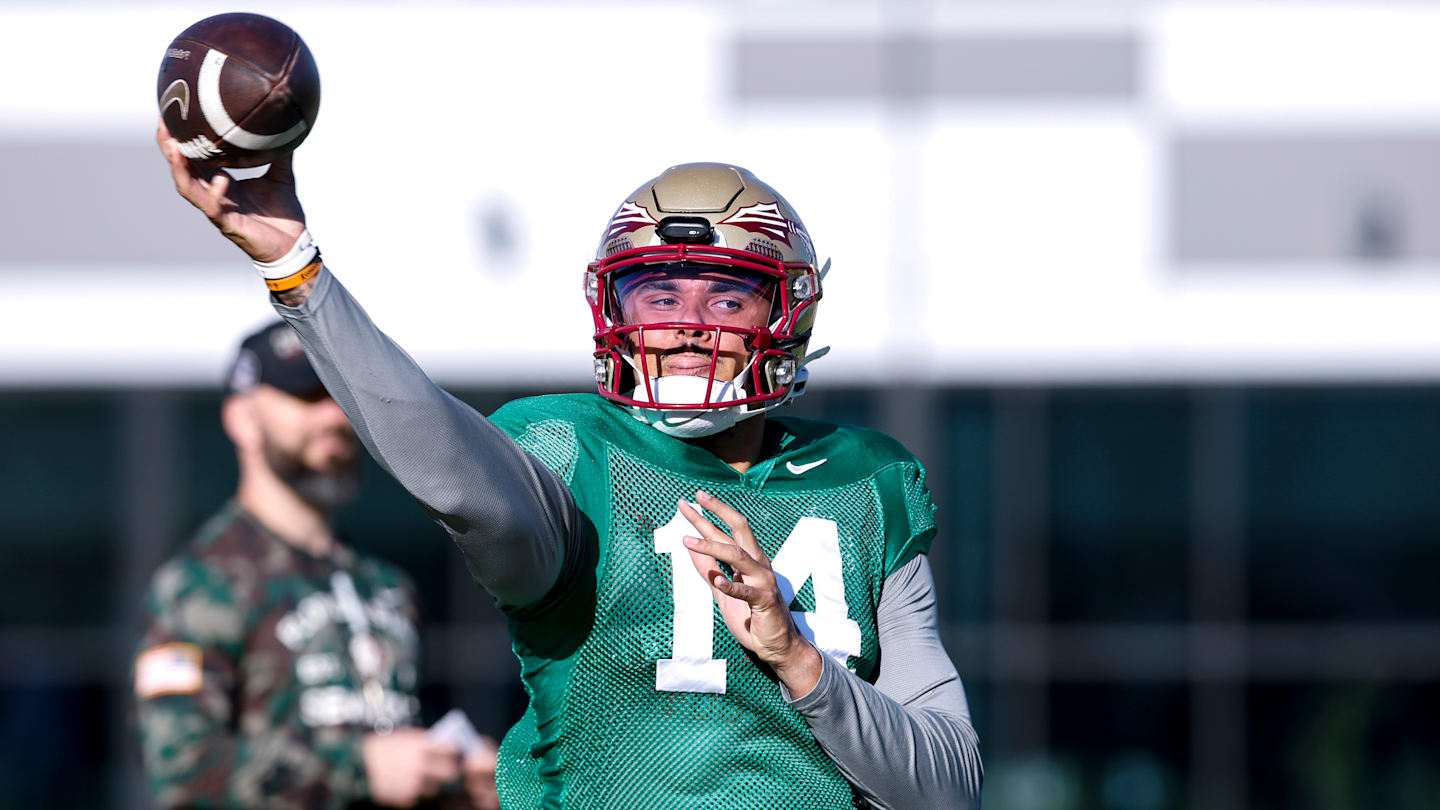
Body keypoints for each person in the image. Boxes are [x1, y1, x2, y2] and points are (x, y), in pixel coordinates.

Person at [158, 122, 984, 809]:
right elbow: (436, 453)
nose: (688, 324)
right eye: (660, 296)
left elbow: (948, 788)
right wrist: (297, 270)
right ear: (614, 308)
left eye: (728, 297)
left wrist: (800, 662)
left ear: (787, 315)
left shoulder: (863, 481)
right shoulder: (572, 454)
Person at [132, 320, 499, 810]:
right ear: (242, 420)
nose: (333, 415)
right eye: (307, 396)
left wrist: (455, 778)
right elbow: (181, 774)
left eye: (340, 395)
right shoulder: (198, 584)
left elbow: (397, 749)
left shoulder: (386, 586)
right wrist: (360, 769)